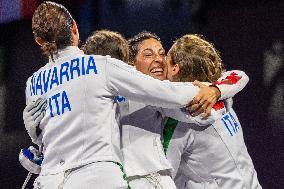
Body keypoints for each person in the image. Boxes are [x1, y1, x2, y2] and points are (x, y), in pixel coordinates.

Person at [24, 2, 220, 188]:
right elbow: (164, 92)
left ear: (39, 40)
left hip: (50, 180)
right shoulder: (100, 66)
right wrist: (208, 89)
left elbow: (45, 143)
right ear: (74, 28)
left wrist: (35, 137)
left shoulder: (32, 84)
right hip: (96, 177)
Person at [165, 34, 262, 189]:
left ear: (176, 68)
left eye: (166, 59)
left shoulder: (177, 122)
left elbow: (164, 178)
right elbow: (238, 75)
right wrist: (215, 90)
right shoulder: (223, 96)